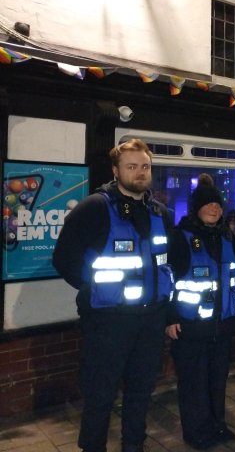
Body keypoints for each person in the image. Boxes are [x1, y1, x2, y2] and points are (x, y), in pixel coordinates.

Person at [53, 139, 174, 452]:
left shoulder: (160, 212)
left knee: (141, 391)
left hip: (150, 320)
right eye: (132, 166)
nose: (139, 172)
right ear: (116, 170)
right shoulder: (95, 207)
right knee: (100, 394)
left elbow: (171, 261)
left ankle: (133, 445)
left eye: (145, 166)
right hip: (108, 322)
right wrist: (96, 290)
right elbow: (64, 259)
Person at [165, 174, 235, 450]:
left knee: (217, 380)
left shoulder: (227, 236)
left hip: (222, 326)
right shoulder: (180, 237)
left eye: (218, 205)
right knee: (193, 382)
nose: (214, 209)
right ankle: (196, 431)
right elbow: (167, 280)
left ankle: (217, 425)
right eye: (208, 205)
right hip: (191, 326)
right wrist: (170, 318)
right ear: (196, 208)